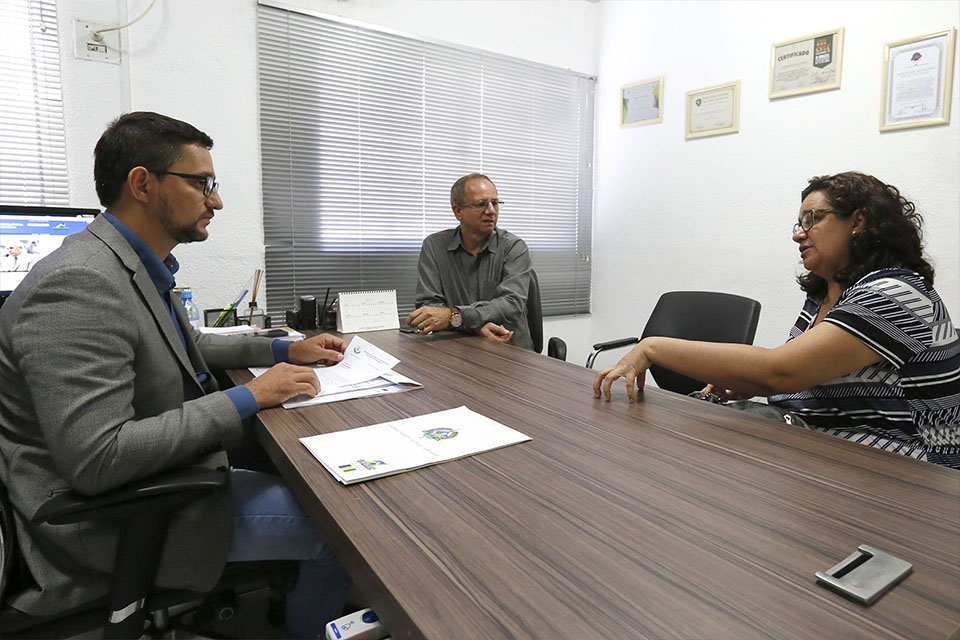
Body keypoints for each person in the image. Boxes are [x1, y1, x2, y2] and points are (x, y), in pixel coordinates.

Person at [0, 112, 350, 637]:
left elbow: (184, 345)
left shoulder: (126, 263)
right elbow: (99, 458)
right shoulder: (77, 286)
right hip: (105, 524)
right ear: (142, 183)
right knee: (339, 532)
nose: (217, 200)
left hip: (154, 480)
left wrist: (283, 346)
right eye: (202, 182)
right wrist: (250, 395)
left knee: (311, 478)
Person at [594, 171, 959, 469]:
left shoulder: (894, 293)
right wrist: (750, 386)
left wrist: (653, 347)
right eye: (799, 222)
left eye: (812, 219)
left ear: (858, 222)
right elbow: (803, 378)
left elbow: (780, 370)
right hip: (823, 444)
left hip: (908, 470)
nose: (798, 233)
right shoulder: (823, 294)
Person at [406, 172, 535, 349]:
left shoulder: (514, 248)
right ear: (458, 211)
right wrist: (474, 326)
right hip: (459, 347)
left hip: (510, 350)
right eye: (481, 204)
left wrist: (454, 316)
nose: (491, 211)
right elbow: (429, 306)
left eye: (495, 203)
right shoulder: (434, 246)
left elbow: (510, 305)